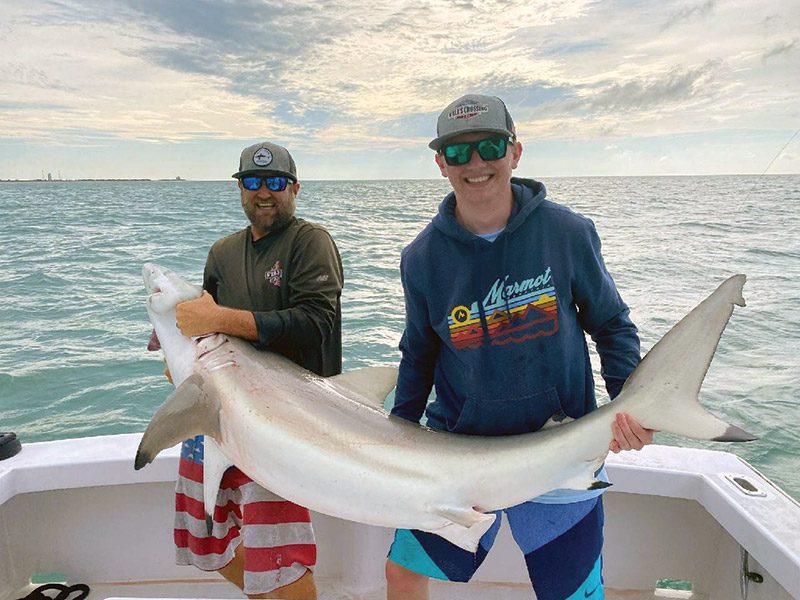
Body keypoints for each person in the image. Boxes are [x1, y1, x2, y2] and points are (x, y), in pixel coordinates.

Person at [385, 94, 653, 600]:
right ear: (440, 164)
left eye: (489, 146)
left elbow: (612, 325)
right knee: (402, 573)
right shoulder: (421, 258)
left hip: (560, 450)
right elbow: (418, 355)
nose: (476, 163)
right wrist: (399, 433)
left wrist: (629, 406)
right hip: (460, 457)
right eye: (458, 153)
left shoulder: (567, 233)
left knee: (574, 595)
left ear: (516, 151)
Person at [170, 141, 343, 599]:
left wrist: (220, 320)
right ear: (239, 188)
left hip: (285, 423)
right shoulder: (222, 252)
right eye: (251, 181)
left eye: (275, 182)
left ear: (295, 188)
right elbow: (201, 333)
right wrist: (180, 364)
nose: (263, 192)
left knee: (280, 561)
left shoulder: (310, 242)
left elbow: (315, 325)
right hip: (215, 420)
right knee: (205, 543)